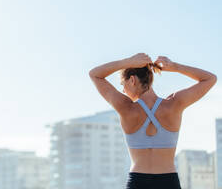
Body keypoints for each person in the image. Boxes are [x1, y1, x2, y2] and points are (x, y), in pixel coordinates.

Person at [89, 53, 217, 189]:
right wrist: (175, 67)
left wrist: (127, 62)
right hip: (168, 182)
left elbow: (95, 74)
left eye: (123, 84)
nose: (123, 90)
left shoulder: (125, 107)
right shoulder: (174, 104)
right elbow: (209, 79)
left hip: (138, 182)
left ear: (132, 80)